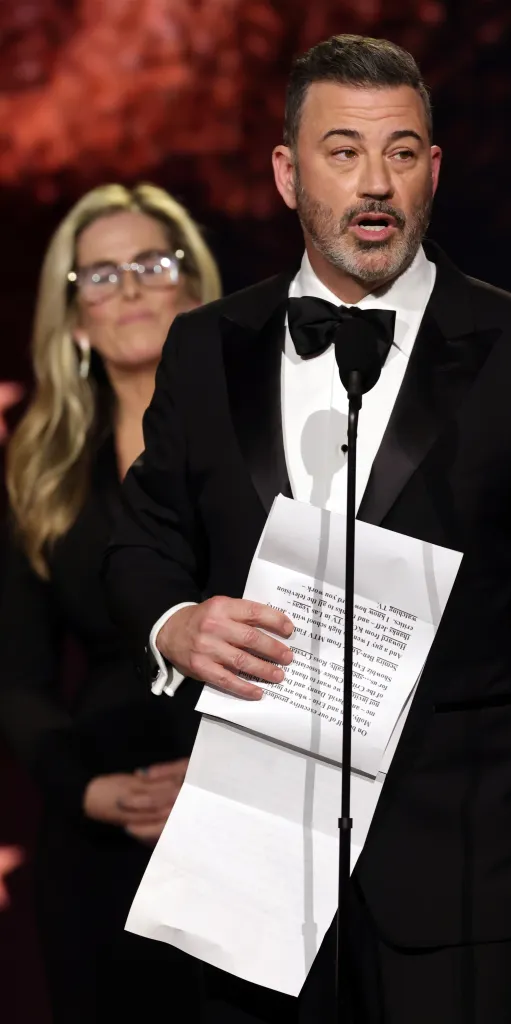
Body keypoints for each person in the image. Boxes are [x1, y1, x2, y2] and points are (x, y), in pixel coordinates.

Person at [103, 36, 511, 1024]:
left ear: (433, 170)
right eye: (342, 151)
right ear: (286, 172)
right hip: (250, 860)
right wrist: (175, 624)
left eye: (401, 153)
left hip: (455, 866)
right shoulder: (207, 347)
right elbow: (140, 537)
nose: (375, 185)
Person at [0, 183, 221, 1023]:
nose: (128, 289)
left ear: (193, 292)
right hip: (104, 837)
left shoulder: (274, 443)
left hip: (266, 820)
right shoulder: (40, 471)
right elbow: (15, 677)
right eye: (99, 276)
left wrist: (232, 778)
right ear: (75, 319)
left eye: (151, 265)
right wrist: (85, 790)